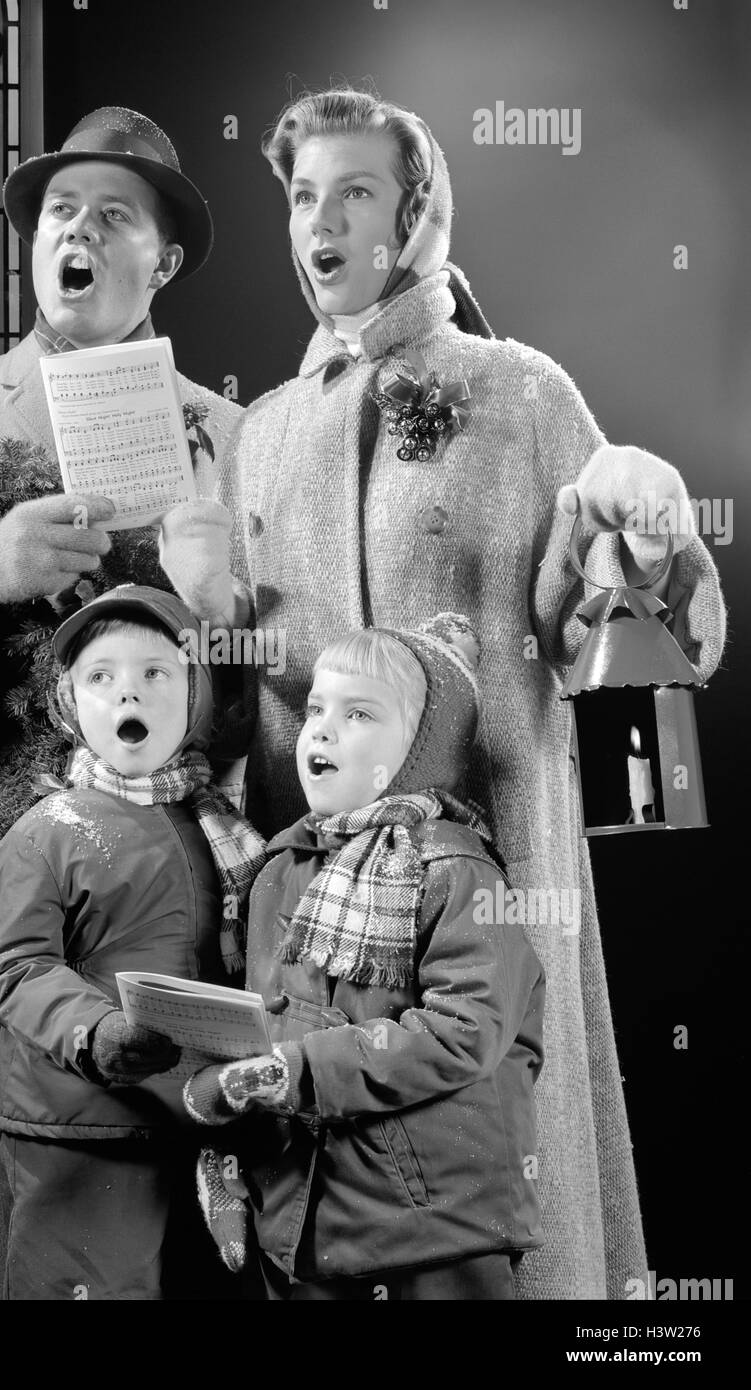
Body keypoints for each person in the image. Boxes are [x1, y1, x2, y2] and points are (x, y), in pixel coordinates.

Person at [184, 89, 726, 1299]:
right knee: (321, 1154)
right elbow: (230, 689)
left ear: (416, 212)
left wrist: (631, 525)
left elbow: (597, 620)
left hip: (492, 861)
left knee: (494, 1183)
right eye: (300, 194)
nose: (318, 220)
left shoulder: (521, 390)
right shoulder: (257, 433)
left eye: (354, 191)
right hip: (310, 880)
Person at [0, 107, 243, 1300]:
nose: (77, 230)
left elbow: (273, 697)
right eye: (59, 212)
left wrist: (213, 608)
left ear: (161, 261)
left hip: (162, 930)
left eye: (112, 214)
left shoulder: (235, 439)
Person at [180, 615, 546, 1299]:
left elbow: (464, 1032)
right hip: (306, 1217)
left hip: (434, 1222)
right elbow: (271, 1022)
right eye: (316, 708)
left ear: (417, 750)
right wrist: (239, 1138)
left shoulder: (451, 869)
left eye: (357, 714)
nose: (319, 729)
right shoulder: (280, 867)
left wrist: (297, 1069)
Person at [0, 585, 267, 1299]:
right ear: (69, 703)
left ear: (194, 696)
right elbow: (15, 971)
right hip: (81, 1128)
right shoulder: (47, 831)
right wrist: (95, 1029)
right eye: (99, 677)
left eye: (154, 674)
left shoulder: (221, 829)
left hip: (200, 1121)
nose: (125, 693)